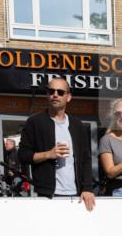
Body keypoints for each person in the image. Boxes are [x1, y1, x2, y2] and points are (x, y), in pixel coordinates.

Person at [17, 76, 96, 210]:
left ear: (68, 97)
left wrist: (87, 188)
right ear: (47, 95)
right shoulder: (35, 122)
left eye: (60, 92)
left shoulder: (77, 124)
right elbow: (23, 155)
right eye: (51, 91)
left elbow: (85, 159)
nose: (55, 95)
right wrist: (48, 154)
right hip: (47, 196)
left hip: (77, 196)